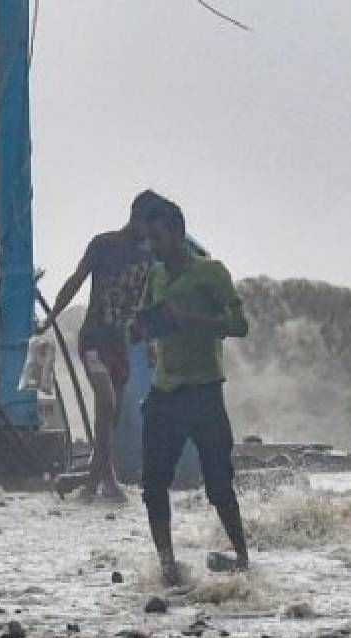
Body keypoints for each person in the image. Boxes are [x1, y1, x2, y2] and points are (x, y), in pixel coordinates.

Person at [129, 196, 250, 585]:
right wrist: (142, 330)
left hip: (204, 392)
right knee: (153, 485)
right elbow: (150, 320)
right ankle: (167, 566)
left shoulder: (211, 273)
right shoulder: (158, 275)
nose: (153, 247)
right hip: (165, 392)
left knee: (218, 485)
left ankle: (243, 560)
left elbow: (238, 324)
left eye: (158, 237)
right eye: (147, 239)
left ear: (178, 232)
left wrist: (190, 320)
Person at [42, 190, 162, 502]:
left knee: (110, 416)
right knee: (107, 403)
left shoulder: (148, 256)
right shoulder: (104, 244)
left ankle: (99, 481)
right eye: (150, 223)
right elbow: (75, 281)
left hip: (120, 344)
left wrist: (150, 341)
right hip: (93, 339)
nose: (151, 232)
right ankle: (95, 481)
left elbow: (146, 300)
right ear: (136, 216)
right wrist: (50, 317)